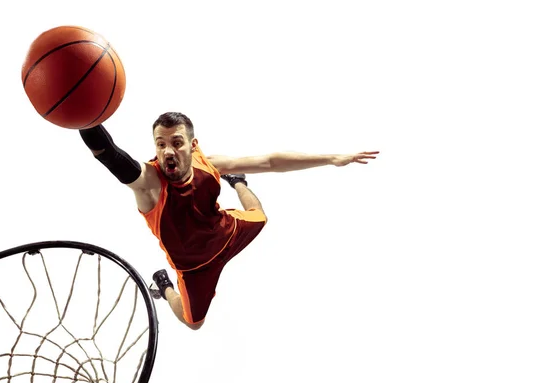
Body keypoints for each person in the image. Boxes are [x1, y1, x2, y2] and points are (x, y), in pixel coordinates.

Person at [78, 112, 378, 330]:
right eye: (160, 144)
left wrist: (331, 158)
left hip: (227, 232)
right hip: (194, 268)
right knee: (193, 323)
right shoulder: (148, 182)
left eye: (177, 142)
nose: (168, 151)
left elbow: (271, 162)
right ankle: (164, 285)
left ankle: (238, 183)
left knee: (260, 217)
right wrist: (84, 116)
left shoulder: (208, 165)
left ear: (193, 145)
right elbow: (110, 155)